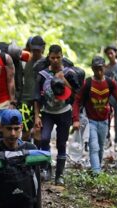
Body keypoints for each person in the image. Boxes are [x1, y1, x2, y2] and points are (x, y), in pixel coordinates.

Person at [73, 56, 117, 175]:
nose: (99, 72)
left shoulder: (110, 83)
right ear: (92, 69)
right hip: (91, 120)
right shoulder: (88, 83)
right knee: (94, 146)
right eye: (96, 69)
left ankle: (97, 167)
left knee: (101, 147)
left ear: (105, 68)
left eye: (101, 69)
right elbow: (77, 101)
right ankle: (96, 172)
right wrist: (76, 119)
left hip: (104, 120)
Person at [33, 45, 79, 185]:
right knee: (44, 138)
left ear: (62, 56)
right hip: (47, 112)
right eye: (52, 58)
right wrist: (36, 116)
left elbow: (76, 93)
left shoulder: (69, 73)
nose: (55, 60)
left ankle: (59, 175)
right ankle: (46, 169)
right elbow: (37, 97)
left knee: (61, 143)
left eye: (58, 57)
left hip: (64, 112)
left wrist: (64, 80)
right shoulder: (42, 75)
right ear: (48, 57)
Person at [20, 36, 46, 142]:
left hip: (41, 101)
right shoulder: (25, 61)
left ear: (43, 49)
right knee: (25, 133)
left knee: (38, 133)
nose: (35, 52)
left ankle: (36, 155)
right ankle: (24, 154)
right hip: (25, 100)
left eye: (38, 50)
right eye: (33, 50)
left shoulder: (46, 63)